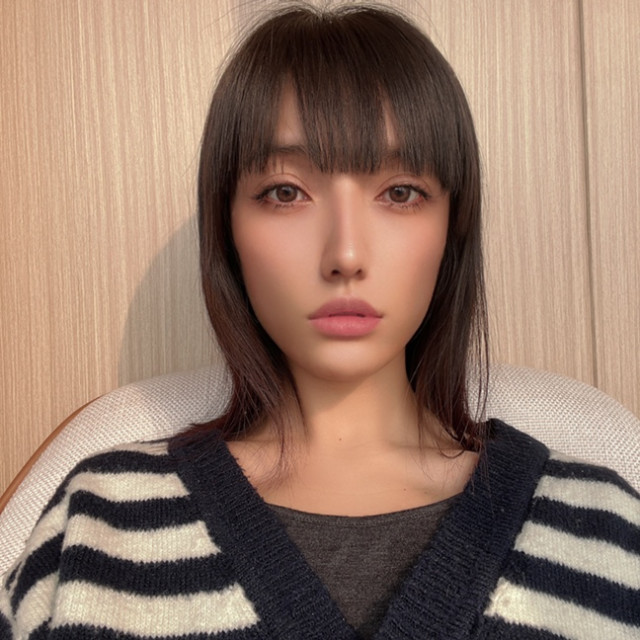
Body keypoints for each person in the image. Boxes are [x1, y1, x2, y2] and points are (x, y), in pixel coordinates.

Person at [1, 4, 639, 639]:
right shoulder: (98, 525)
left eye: (400, 192)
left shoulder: (605, 528)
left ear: (453, 226)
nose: (346, 255)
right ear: (227, 229)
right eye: (286, 192)